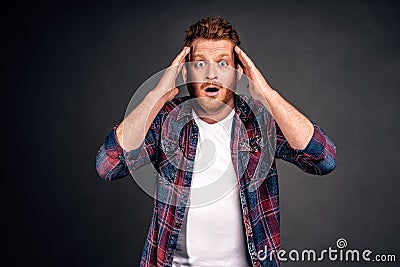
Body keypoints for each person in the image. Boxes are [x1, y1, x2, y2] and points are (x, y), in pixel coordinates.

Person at [96, 16, 336, 267]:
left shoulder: (259, 120)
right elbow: (108, 166)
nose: (212, 74)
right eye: (200, 63)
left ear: (237, 73)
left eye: (223, 63)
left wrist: (267, 94)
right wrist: (156, 96)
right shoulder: (166, 121)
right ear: (186, 71)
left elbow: (323, 160)